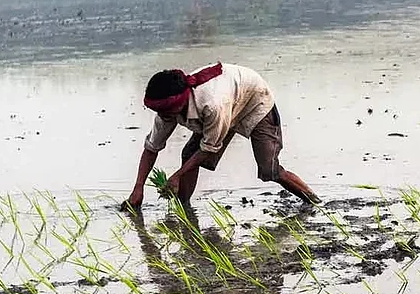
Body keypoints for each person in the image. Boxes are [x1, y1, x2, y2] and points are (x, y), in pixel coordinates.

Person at [121, 62, 320, 210]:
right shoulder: (167, 111)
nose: (163, 117)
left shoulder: (212, 104)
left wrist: (177, 176)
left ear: (180, 103)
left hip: (254, 100)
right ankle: (184, 207)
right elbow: (151, 147)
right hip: (230, 100)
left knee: (269, 170)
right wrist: (138, 188)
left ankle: (314, 201)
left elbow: (208, 148)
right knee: (189, 153)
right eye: (160, 112)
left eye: (167, 112)